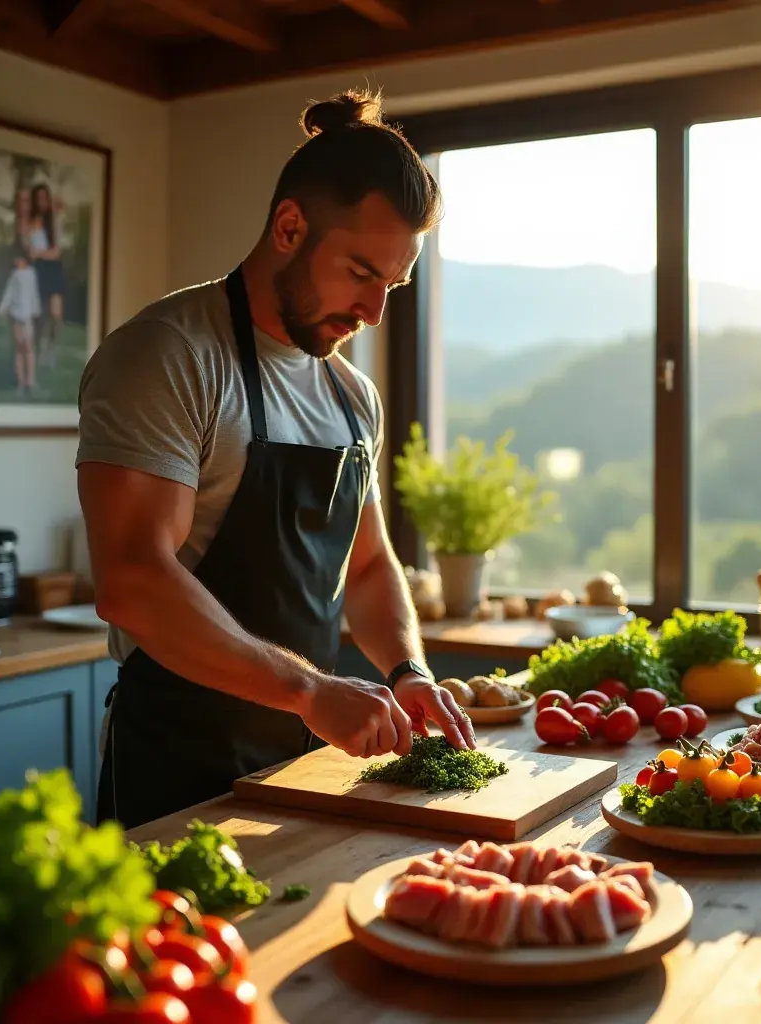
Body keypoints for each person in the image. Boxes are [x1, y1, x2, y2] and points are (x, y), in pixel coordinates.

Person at [76, 88, 477, 831]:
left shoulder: (353, 395)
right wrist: (309, 691)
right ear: (290, 226)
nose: (373, 313)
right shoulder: (168, 355)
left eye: (392, 286)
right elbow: (132, 581)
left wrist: (407, 670)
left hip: (299, 759)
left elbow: (366, 566)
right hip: (174, 766)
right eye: (360, 273)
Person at [27, 183, 66, 368]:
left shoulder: (54, 220)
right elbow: (29, 250)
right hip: (38, 270)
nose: (42, 201)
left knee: (55, 313)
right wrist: (38, 254)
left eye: (45, 197)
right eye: (39, 198)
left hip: (53, 268)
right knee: (39, 315)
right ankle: (39, 351)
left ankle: (52, 350)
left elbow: (56, 252)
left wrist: (39, 254)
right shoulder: (31, 221)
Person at [0, 241, 41, 398]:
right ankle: (20, 382)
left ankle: (31, 381)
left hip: (28, 314)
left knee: (29, 347)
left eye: (18, 259)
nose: (16, 262)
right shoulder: (14, 275)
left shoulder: (31, 273)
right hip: (16, 315)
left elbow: (34, 293)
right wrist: (3, 307)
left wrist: (35, 310)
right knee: (19, 347)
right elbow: (8, 293)